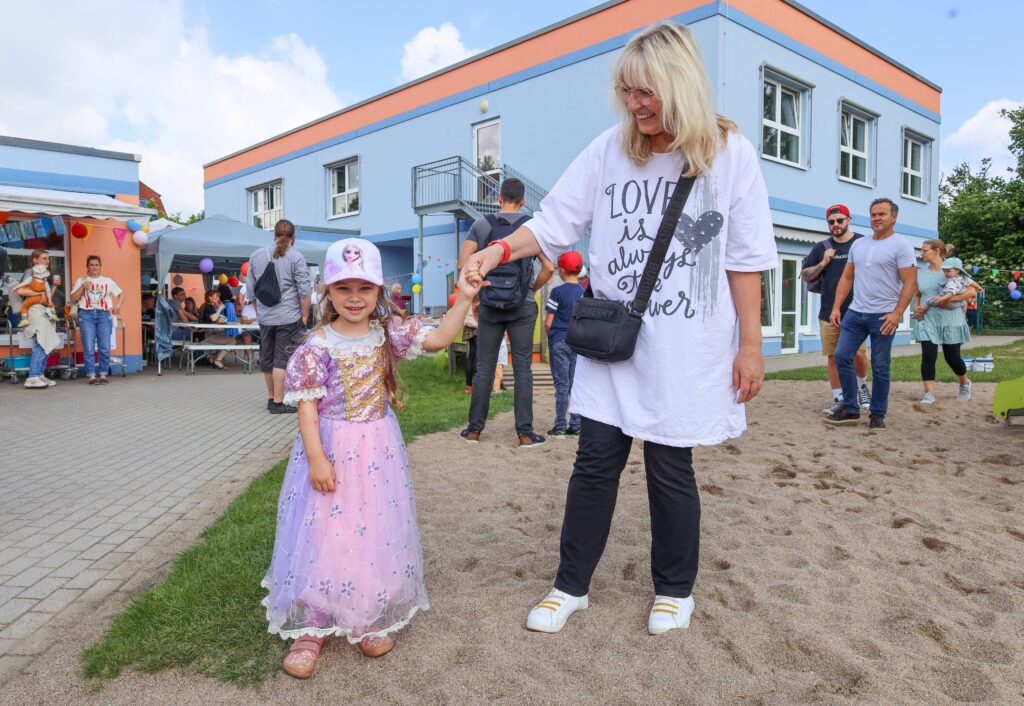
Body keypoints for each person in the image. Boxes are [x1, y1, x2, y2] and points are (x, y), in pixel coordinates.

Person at [462, 22, 776, 636]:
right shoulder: (611, 148)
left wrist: (752, 344)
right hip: (614, 340)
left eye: (647, 93)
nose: (635, 106)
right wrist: (497, 253)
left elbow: (744, 259)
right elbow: (554, 223)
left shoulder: (728, 154)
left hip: (686, 347)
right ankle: (570, 585)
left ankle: (675, 589)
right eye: (627, 94)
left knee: (669, 466)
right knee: (595, 462)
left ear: (680, 85)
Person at [263, 237, 480, 678]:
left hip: (377, 450)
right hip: (331, 449)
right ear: (327, 291)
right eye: (344, 289)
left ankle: (365, 617)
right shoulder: (317, 345)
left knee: (372, 526)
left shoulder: (388, 334)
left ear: (380, 291)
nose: (355, 298)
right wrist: (317, 458)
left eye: (365, 288)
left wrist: (466, 297)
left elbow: (439, 338)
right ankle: (313, 625)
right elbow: (306, 406)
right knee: (325, 527)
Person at [457, 178, 555, 447]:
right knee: (523, 367)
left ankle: (474, 430)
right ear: (523, 201)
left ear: (499, 198)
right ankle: (525, 433)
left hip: (489, 303)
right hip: (521, 304)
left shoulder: (482, 225)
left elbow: (464, 264)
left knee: (484, 367)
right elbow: (548, 268)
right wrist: (531, 291)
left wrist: (477, 296)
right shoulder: (531, 227)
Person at [826, 198, 917, 429]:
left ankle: (877, 414)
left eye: (882, 214)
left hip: (884, 316)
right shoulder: (859, 244)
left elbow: (910, 282)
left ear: (893, 217)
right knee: (842, 356)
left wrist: (897, 313)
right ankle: (850, 408)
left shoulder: (901, 245)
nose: (877, 218)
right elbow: (847, 277)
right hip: (856, 313)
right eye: (874, 214)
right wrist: (837, 307)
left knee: (880, 366)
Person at [801, 204, 870, 415]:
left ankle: (861, 387)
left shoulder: (862, 243)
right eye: (831, 222)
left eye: (840, 220)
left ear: (849, 219)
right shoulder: (822, 246)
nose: (836, 225)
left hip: (858, 309)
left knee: (857, 354)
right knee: (833, 356)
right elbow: (806, 274)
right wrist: (823, 263)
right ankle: (839, 398)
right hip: (829, 311)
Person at [245, 219, 312, 414]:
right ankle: (278, 401)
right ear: (293, 237)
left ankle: (270, 398)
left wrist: (259, 313)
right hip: (288, 316)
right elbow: (304, 290)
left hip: (265, 318)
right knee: (281, 359)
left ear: (273, 235)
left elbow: (251, 290)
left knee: (267, 359)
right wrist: (305, 315)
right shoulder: (296, 257)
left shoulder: (256, 255)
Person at [913, 244, 979, 404]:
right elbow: (918, 294)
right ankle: (929, 393)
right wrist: (916, 307)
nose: (922, 253)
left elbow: (972, 291)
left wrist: (948, 299)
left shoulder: (953, 269)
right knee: (928, 355)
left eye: (924, 250)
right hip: (928, 319)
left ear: (937, 251)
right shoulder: (921, 273)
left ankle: (964, 383)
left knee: (952, 357)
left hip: (951, 320)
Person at [544, 251, 585, 437]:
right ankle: (575, 424)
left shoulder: (557, 292)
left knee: (561, 384)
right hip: (578, 342)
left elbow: (548, 322)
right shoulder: (584, 293)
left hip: (559, 340)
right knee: (575, 384)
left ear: (561, 270)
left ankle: (560, 424)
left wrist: (551, 338)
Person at [70, 255, 124, 385]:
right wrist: (82, 287)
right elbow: (73, 299)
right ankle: (91, 376)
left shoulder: (107, 281)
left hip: (103, 315)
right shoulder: (81, 280)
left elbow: (121, 293)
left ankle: (103, 374)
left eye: (97, 265)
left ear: (100, 266)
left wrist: (117, 306)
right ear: (87, 267)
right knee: (88, 346)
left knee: (104, 346)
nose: (94, 267)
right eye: (91, 265)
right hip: (86, 315)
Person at [12, 249, 61, 389]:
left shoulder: (44, 275)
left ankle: (39, 374)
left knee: (45, 343)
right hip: (34, 312)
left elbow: (46, 297)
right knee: (40, 342)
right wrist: (38, 292)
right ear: (35, 260)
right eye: (44, 258)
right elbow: (19, 290)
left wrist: (54, 287)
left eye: (48, 258)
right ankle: (33, 377)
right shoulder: (30, 272)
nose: (48, 261)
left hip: (42, 311)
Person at [198, 289, 235, 369]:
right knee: (233, 341)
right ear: (210, 298)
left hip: (201, 334)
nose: (218, 298)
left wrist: (218, 319)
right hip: (207, 336)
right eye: (216, 296)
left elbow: (209, 319)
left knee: (225, 336)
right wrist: (220, 309)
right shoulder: (209, 306)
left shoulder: (204, 306)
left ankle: (212, 359)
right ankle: (217, 360)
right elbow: (213, 318)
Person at [463, 299, 478, 394]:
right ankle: (477, 386)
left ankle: (468, 386)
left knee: (472, 353)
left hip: (468, 326)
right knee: (478, 354)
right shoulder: (481, 295)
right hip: (479, 326)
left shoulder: (467, 296)